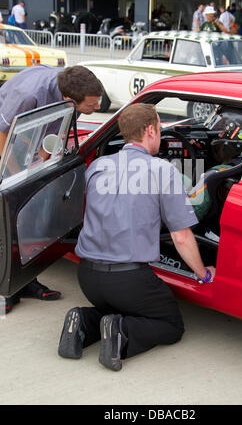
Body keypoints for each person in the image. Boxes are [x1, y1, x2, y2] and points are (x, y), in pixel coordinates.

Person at [58, 103, 216, 371]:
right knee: (170, 324)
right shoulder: (163, 170)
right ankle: (120, 332)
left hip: (87, 276)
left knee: (118, 306)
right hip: (128, 279)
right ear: (150, 131)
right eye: (160, 129)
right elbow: (180, 237)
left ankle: (83, 321)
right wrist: (203, 273)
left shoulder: (97, 165)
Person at [1, 64, 104, 313]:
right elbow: (2, 138)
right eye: (92, 105)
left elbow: (56, 132)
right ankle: (5, 289)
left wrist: (43, 166)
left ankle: (25, 282)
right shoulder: (29, 96)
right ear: (69, 98)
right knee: (7, 217)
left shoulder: (73, 86)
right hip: (4, 139)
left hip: (26, 135)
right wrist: (18, 178)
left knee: (31, 218)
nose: (98, 108)